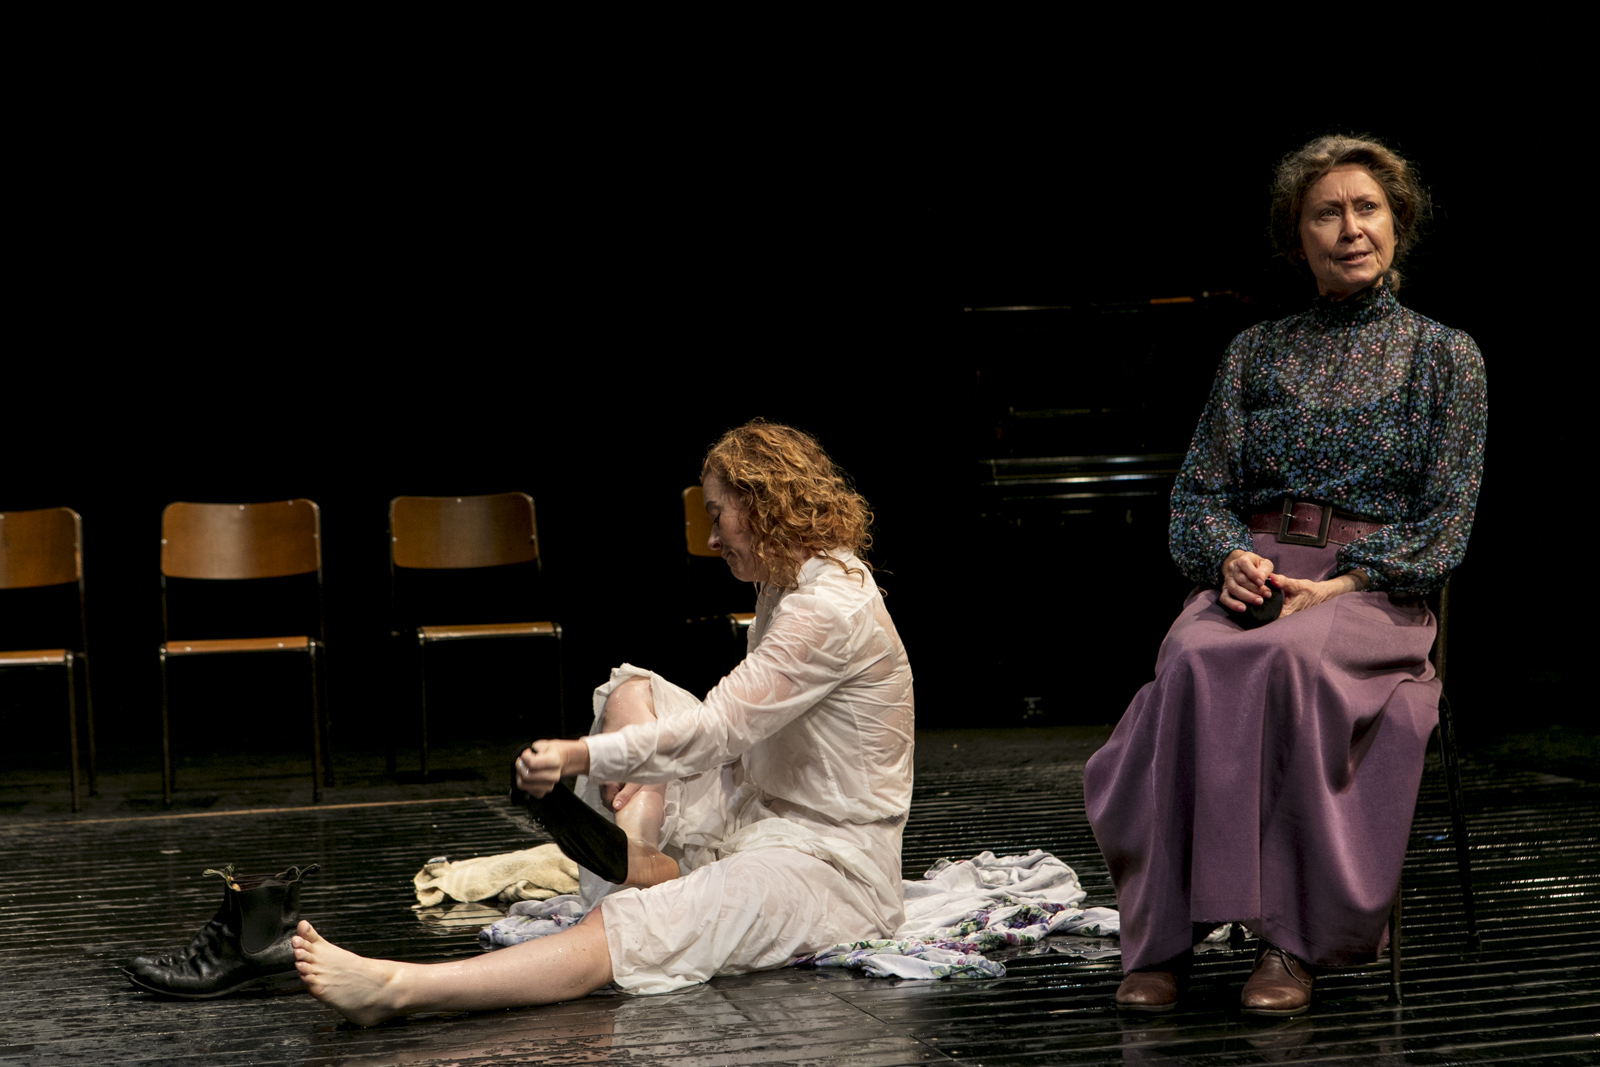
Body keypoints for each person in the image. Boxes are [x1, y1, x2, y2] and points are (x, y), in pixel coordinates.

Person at [292, 421, 914, 1024]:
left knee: (632, 927)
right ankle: (638, 860)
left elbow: (715, 731)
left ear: (761, 506)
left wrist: (579, 756)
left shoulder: (826, 609)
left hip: (832, 867)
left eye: (717, 515)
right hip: (761, 808)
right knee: (633, 691)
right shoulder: (787, 583)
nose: (711, 539)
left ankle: (396, 989)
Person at [1083, 134, 1487, 1017]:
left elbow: (1446, 520)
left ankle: (1288, 941)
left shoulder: (1445, 356)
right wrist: (1228, 554)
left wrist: (1340, 584)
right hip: (1262, 569)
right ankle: (1162, 940)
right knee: (1190, 659)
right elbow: (1199, 493)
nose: (1350, 228)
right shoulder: (1255, 353)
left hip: (1372, 588)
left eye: (1367, 208)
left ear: (1397, 222)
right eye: (1326, 213)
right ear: (1297, 237)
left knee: (1293, 661)